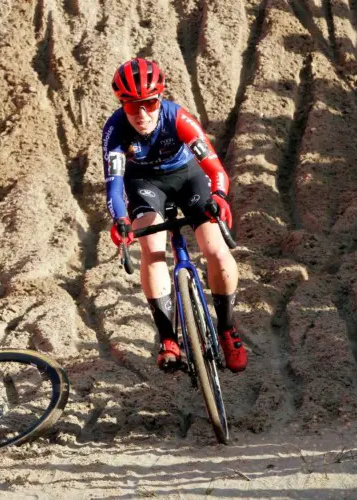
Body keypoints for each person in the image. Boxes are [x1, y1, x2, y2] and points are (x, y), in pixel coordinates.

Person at [102, 57, 247, 373]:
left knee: (216, 251)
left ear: (160, 98)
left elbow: (215, 169)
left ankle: (226, 328)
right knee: (152, 251)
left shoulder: (177, 117)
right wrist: (121, 219)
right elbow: (114, 187)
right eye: (131, 106)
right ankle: (168, 338)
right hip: (145, 185)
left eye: (149, 103)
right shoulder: (115, 130)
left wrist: (219, 197)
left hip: (187, 177)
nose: (141, 114)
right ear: (122, 105)